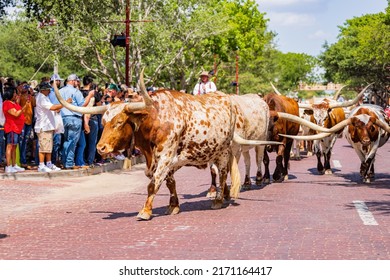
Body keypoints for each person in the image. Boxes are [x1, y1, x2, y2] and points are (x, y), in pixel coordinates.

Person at [58, 74, 94, 169]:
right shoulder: (75, 91)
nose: (77, 83)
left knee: (66, 141)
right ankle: (69, 163)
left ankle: (64, 161)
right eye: (77, 81)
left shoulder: (60, 91)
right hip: (74, 118)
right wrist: (89, 96)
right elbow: (82, 105)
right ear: (73, 81)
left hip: (63, 118)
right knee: (72, 142)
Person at [34, 82, 72, 172]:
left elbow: (53, 109)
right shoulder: (41, 98)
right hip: (43, 126)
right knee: (43, 147)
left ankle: (49, 163)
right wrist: (65, 103)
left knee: (48, 147)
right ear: (43, 90)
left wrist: (59, 108)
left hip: (48, 126)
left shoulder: (45, 97)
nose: (49, 91)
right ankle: (41, 165)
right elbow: (53, 107)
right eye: (48, 90)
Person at [2, 87, 28, 173]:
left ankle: (14, 164)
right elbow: (16, 114)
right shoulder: (7, 103)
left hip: (17, 128)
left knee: (14, 146)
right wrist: (24, 107)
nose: (15, 95)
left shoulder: (14, 103)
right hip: (11, 127)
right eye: (14, 93)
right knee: (10, 146)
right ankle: (8, 166)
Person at [17, 81, 36, 168]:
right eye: (23, 86)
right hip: (21, 121)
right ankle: (21, 161)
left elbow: (34, 104)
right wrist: (20, 93)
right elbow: (17, 104)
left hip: (29, 121)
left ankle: (24, 160)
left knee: (26, 141)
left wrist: (32, 95)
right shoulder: (19, 96)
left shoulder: (30, 97)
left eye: (26, 86)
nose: (25, 88)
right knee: (21, 142)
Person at [49, 73, 64, 165]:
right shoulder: (50, 92)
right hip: (53, 116)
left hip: (57, 117)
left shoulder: (57, 91)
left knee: (57, 140)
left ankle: (54, 160)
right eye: (58, 80)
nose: (59, 82)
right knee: (54, 140)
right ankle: (52, 161)